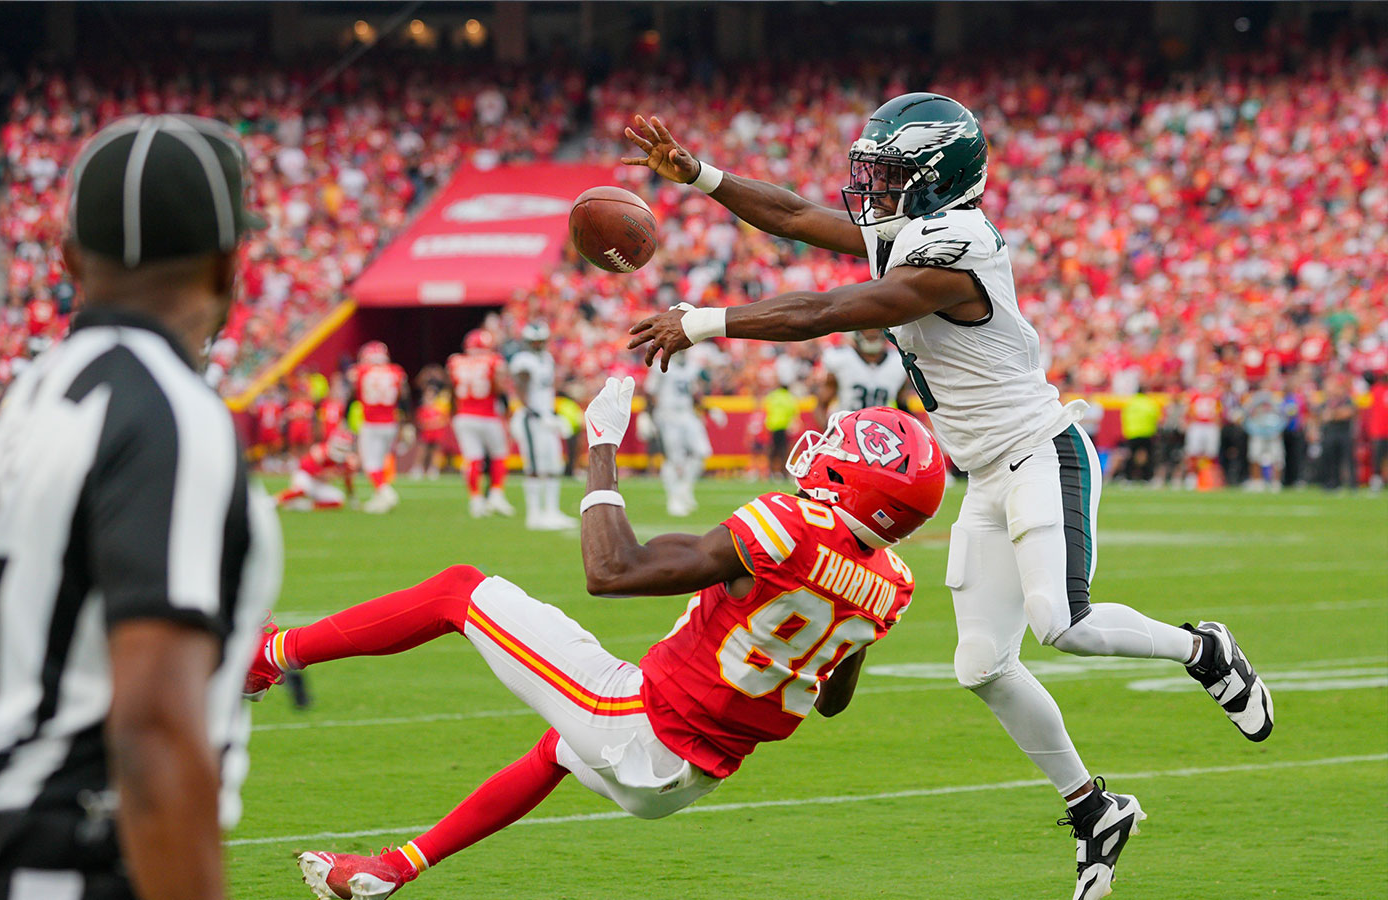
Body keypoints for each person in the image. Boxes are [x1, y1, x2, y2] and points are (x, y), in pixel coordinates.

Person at [621, 96, 1273, 900]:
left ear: (938, 182)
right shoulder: (912, 230)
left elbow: (834, 311)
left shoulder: (957, 247)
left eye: (893, 175)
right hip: (984, 475)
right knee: (982, 666)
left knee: (1060, 623)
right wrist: (699, 174)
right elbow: (791, 212)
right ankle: (1094, 807)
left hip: (1041, 452)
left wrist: (706, 322)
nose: (876, 188)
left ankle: (1203, 650)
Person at [242, 382, 945, 900]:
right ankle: (392, 869)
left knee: (459, 589)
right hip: (688, 780)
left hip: (639, 724)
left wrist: (602, 445)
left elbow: (610, 571)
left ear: (853, 479)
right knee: (554, 750)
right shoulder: (893, 582)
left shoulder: (789, 525)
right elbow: (830, 702)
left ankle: (267, 657)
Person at [0, 114, 279, 900]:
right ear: (228, 265)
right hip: (76, 867)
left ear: (71, 258)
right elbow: (152, 730)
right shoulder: (171, 415)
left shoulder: (18, 411)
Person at [508, 321, 574, 530]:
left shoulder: (546, 358)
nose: (537, 345)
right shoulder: (523, 360)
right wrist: (538, 414)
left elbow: (547, 391)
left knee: (554, 464)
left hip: (545, 417)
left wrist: (552, 414)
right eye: (534, 342)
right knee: (535, 466)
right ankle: (534, 514)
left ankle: (551, 510)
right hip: (531, 419)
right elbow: (521, 390)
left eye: (540, 342)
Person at [448, 328, 514, 518]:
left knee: (473, 458)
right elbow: (499, 386)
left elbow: (453, 389)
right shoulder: (493, 360)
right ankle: (496, 494)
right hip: (487, 414)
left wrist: (454, 413)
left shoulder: (456, 362)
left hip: (464, 415)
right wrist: (507, 409)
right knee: (499, 455)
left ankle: (475, 500)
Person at [643, 348, 712, 517]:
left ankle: (684, 490)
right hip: (668, 416)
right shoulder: (660, 366)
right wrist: (646, 414)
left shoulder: (691, 366)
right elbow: (650, 393)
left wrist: (709, 410)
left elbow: (694, 393)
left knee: (702, 452)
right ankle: (673, 499)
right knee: (674, 459)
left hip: (687, 414)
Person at [348, 341, 408, 513]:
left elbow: (355, 395)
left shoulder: (360, 371)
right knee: (380, 461)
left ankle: (385, 491)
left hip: (371, 422)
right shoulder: (396, 372)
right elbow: (403, 396)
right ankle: (379, 497)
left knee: (370, 463)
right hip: (390, 423)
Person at [819, 328, 915, 420]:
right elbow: (821, 405)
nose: (871, 333)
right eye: (866, 330)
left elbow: (902, 405)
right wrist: (831, 432)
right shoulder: (841, 359)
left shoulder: (897, 362)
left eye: (877, 329)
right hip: (846, 429)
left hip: (882, 430)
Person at [1243, 378, 1286, 491]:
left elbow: (1284, 415)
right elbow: (1246, 414)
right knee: (1255, 456)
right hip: (1258, 431)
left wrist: (1279, 429)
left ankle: (1275, 482)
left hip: (1273, 432)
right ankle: (1257, 482)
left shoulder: (1277, 398)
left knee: (1277, 458)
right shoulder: (1253, 399)